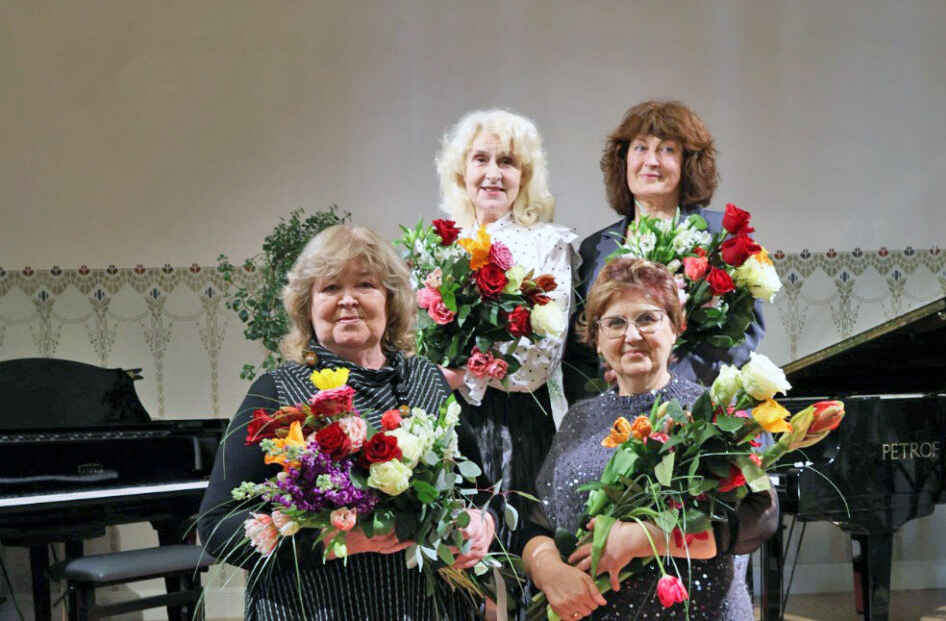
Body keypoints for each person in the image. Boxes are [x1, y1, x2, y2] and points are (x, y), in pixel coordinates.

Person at [198, 225, 495, 621]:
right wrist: (328, 539)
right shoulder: (277, 392)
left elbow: (478, 488)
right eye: (331, 288)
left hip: (427, 607)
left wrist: (481, 521)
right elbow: (216, 527)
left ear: (391, 301)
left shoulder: (427, 379)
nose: (348, 300)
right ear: (307, 306)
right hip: (312, 609)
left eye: (366, 285)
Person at [522, 258, 778, 620]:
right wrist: (549, 571)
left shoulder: (712, 411)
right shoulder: (579, 418)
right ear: (596, 340)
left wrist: (644, 539)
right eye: (614, 323)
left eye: (646, 318)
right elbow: (539, 524)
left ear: (676, 328)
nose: (632, 335)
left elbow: (760, 516)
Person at [563, 100, 765, 402]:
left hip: (695, 409)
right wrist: (600, 403)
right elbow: (579, 354)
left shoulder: (719, 236)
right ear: (624, 160)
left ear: (688, 163)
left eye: (667, 149)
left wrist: (665, 385)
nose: (652, 161)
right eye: (641, 148)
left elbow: (742, 333)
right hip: (614, 421)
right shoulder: (595, 248)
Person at [435, 109, 578, 537]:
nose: (493, 174)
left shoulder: (549, 245)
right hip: (448, 422)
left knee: (520, 555)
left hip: (517, 423)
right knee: (457, 558)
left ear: (525, 175)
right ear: (462, 171)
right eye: (481, 159)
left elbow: (540, 361)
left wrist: (462, 375)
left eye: (507, 162)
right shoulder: (440, 249)